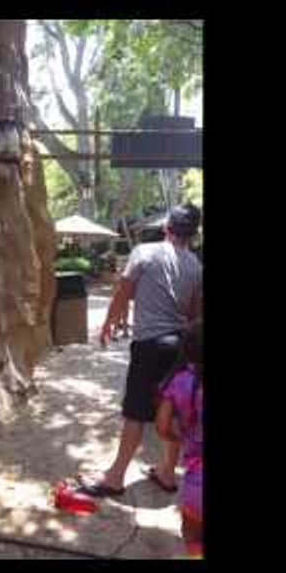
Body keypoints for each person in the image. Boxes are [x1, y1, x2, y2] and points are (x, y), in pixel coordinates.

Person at [77, 204, 202, 497]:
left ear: (167, 227)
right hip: (179, 346)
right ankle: (167, 473)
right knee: (172, 409)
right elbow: (195, 314)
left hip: (149, 345)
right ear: (193, 234)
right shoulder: (196, 266)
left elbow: (123, 292)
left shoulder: (144, 253)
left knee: (135, 412)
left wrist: (109, 323)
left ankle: (114, 478)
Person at [156, 322, 204, 558]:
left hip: (197, 483)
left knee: (193, 541)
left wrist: (180, 437)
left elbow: (162, 426)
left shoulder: (179, 381)